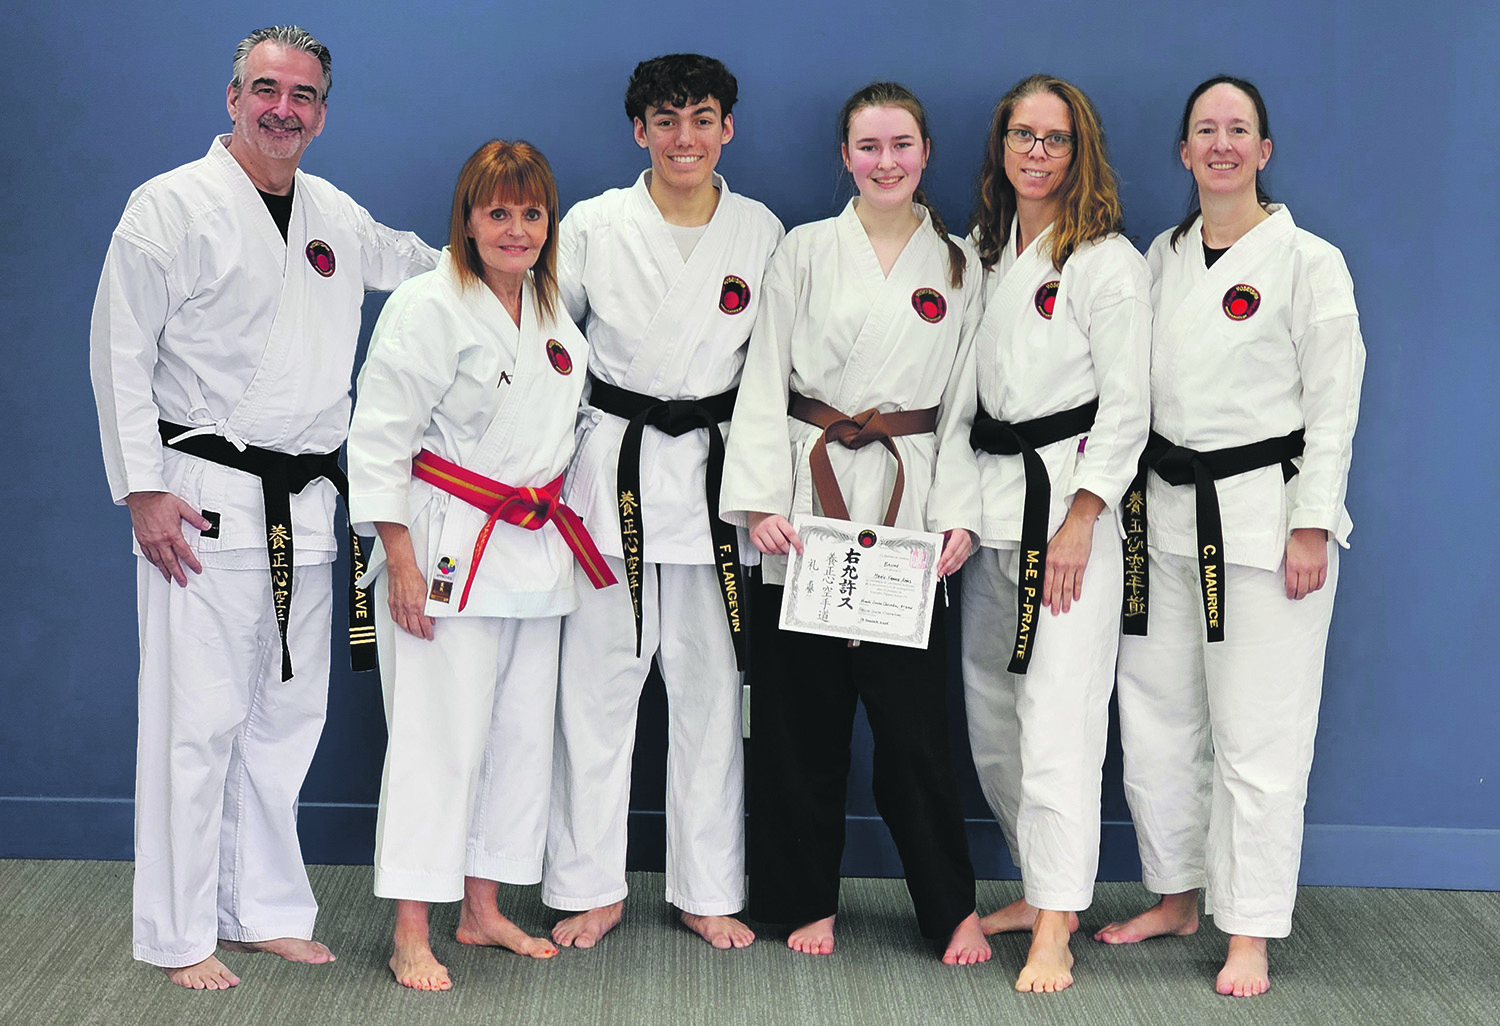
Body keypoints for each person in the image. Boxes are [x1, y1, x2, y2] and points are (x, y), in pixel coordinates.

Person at [89, 25, 438, 990]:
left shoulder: (330, 210)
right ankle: (176, 931)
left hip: (304, 509)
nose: (285, 108)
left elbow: (420, 270)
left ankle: (264, 909)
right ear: (232, 97)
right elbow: (119, 353)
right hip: (197, 500)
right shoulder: (169, 205)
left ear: (324, 113)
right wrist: (142, 490)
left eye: (305, 95)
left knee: (286, 721)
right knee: (193, 725)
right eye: (267, 89)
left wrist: (509, 257)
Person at [1093, 76, 1364, 998]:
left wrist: (1313, 525)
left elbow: (1333, 409)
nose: (1221, 144)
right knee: (1159, 722)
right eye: (1204, 130)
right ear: (1183, 151)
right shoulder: (1157, 258)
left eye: (1238, 130)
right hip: (1163, 518)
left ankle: (1247, 926)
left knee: (1258, 739)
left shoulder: (1309, 262)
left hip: (1266, 524)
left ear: (1264, 150)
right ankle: (1176, 893)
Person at [720, 81, 989, 966]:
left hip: (906, 517)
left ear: (925, 153)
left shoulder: (957, 265)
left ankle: (950, 908)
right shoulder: (802, 251)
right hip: (803, 507)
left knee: (915, 734)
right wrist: (759, 498)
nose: (886, 162)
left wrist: (959, 517)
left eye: (901, 145)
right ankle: (804, 898)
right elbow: (762, 377)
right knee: (802, 723)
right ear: (845, 157)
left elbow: (962, 408)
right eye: (869, 147)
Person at [349, 140, 614, 991]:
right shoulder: (429, 304)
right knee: (437, 742)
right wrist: (396, 557)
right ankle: (410, 929)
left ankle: (482, 905)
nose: (517, 229)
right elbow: (382, 434)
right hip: (446, 545)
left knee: (517, 739)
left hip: (534, 552)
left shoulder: (552, 314)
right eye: (498, 212)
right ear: (467, 219)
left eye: (532, 213)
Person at [543, 53, 784, 952]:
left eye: (704, 118)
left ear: (729, 128)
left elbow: (772, 373)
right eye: (667, 120)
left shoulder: (761, 231)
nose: (686, 137)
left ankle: (707, 887)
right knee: (596, 694)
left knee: (714, 699)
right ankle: (588, 884)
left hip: (720, 490)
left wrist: (766, 489)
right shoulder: (595, 224)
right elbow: (549, 348)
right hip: (614, 480)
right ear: (639, 131)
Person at [958, 75, 1151, 993]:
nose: (1037, 153)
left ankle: (1059, 924)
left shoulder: (1105, 260)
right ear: (1001, 147)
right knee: (993, 719)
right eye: (1023, 136)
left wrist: (1083, 517)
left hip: (1068, 513)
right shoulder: (986, 252)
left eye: (1056, 139)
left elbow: (1127, 405)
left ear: (1082, 154)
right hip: (993, 505)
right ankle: (1040, 887)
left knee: (1058, 722)